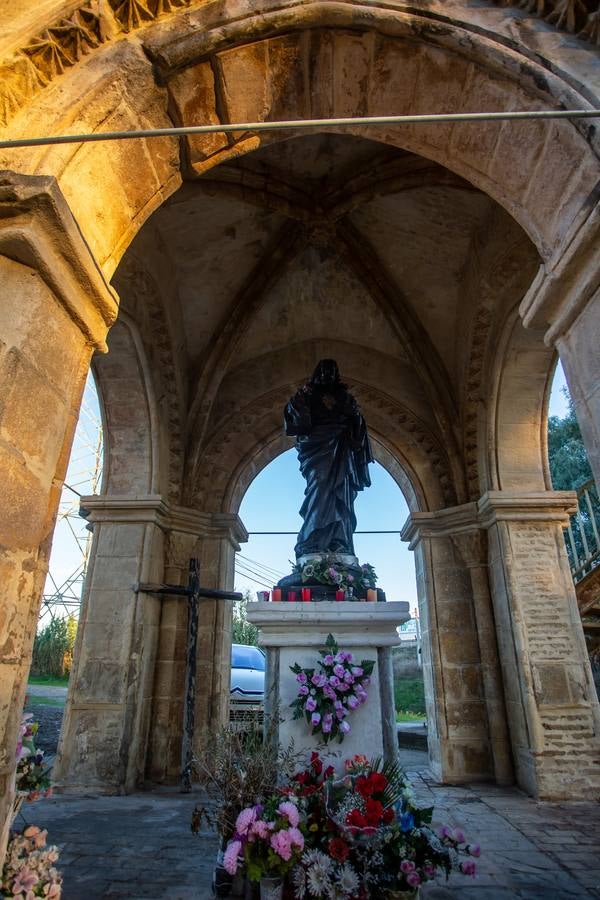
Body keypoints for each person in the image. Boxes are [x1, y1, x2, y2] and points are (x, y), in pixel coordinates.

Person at [284, 359, 373, 559]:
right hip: (316, 448)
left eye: (331, 372)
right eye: (323, 371)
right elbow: (297, 422)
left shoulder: (344, 397)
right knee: (320, 486)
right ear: (317, 373)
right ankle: (312, 540)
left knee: (341, 494)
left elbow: (357, 426)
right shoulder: (308, 394)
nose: (327, 375)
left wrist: (356, 416)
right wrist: (299, 400)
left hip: (341, 448)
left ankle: (339, 542)